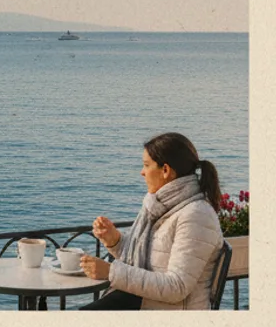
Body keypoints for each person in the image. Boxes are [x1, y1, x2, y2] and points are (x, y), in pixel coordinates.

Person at [79, 132, 224, 310]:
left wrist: (111, 271)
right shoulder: (161, 207)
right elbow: (148, 261)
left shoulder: (196, 216)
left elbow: (176, 287)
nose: (142, 172)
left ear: (165, 170)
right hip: (145, 301)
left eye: (146, 165)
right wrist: (115, 241)